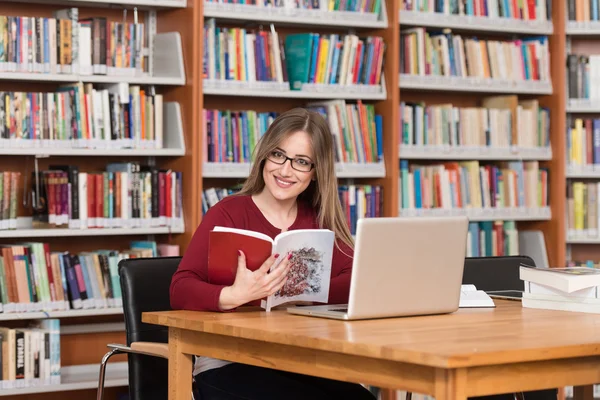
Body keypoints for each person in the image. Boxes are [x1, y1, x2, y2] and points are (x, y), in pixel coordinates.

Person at [169, 107, 376, 400]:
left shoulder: (320, 220)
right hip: (229, 361)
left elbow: (357, 280)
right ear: (265, 155)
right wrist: (234, 295)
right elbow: (180, 288)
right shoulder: (227, 213)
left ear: (317, 173)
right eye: (278, 155)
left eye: (301, 162)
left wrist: (303, 288)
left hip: (300, 360)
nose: (285, 170)